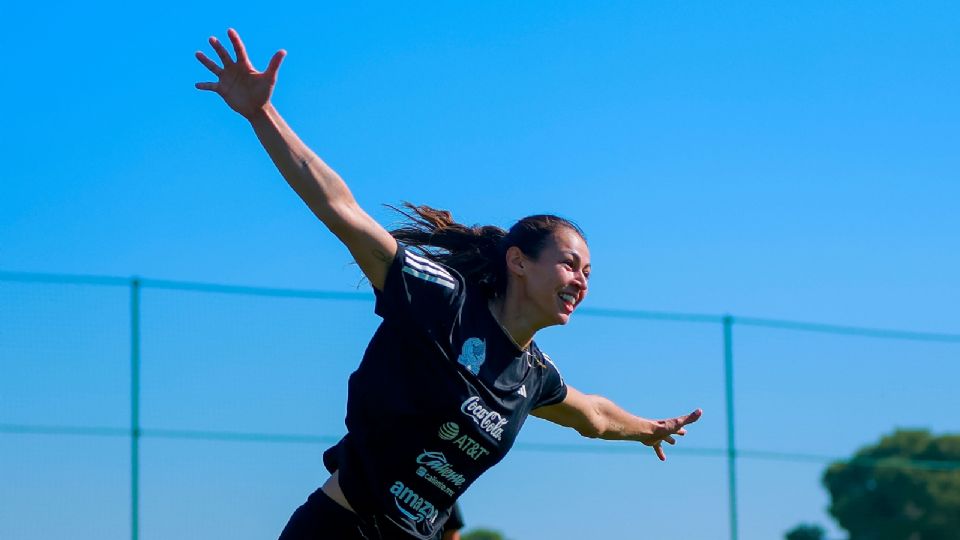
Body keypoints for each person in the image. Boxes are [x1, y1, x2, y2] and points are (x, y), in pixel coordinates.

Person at [195, 29, 702, 540]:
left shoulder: (533, 376)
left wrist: (647, 430)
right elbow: (342, 212)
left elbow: (592, 414)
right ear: (518, 262)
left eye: (588, 275)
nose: (580, 282)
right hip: (341, 529)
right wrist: (263, 114)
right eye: (570, 265)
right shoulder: (442, 301)